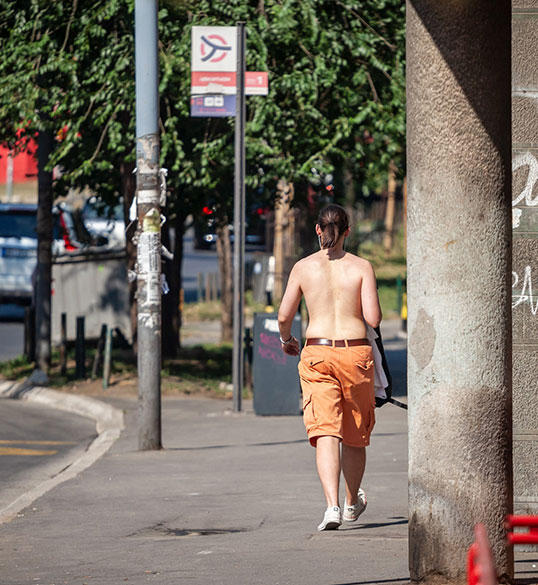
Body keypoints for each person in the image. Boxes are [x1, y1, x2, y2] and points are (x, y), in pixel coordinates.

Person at [277, 204, 382, 531]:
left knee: (325, 430)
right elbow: (373, 318)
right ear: (347, 231)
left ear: (319, 230)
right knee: (354, 434)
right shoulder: (361, 267)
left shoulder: (303, 268)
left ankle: (332, 507)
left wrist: (287, 340)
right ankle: (352, 504)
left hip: (318, 354)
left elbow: (284, 316)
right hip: (354, 354)